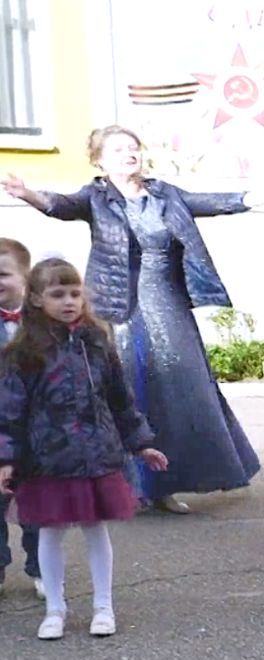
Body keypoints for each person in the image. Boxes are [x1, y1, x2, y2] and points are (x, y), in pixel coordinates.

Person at [4, 125, 261, 513]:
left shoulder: (164, 193)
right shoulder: (97, 196)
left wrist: (249, 197)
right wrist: (29, 195)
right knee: (122, 387)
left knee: (179, 388)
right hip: (117, 303)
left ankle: (166, 484)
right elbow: (63, 204)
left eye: (134, 147)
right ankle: (121, 484)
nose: (130, 154)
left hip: (167, 300)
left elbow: (204, 201)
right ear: (100, 160)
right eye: (119, 149)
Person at [0, 258, 168, 640]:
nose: (69, 301)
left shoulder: (97, 343)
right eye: (58, 294)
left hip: (96, 455)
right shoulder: (22, 352)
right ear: (38, 299)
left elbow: (120, 399)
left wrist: (141, 443)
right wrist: (6, 458)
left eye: (75, 293)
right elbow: (9, 411)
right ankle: (55, 610)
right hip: (48, 460)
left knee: (96, 531)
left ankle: (103, 607)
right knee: (50, 533)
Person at [0, 235, 40, 597]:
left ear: (25, 278)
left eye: (2, 274)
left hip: (34, 436)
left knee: (36, 506)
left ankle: (41, 568)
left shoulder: (43, 325)